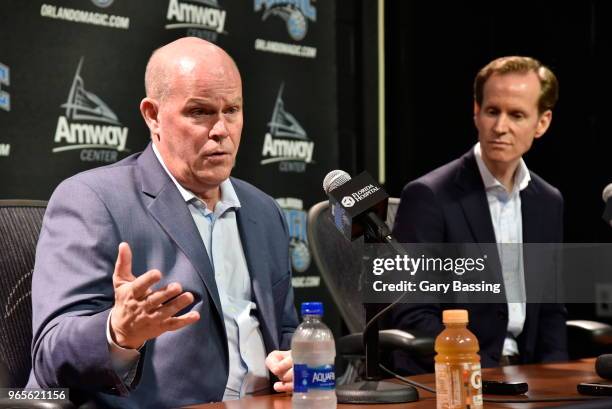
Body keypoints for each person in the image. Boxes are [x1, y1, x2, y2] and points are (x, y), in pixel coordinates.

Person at [28, 37, 296, 408]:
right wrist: (118, 332)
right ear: (152, 115)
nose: (221, 129)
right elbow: (50, 354)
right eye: (200, 112)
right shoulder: (91, 200)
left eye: (232, 110)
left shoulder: (264, 211)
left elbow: (285, 330)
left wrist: (298, 360)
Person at [389, 56, 568, 373]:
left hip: (527, 374)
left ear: (542, 122)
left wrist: (556, 380)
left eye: (516, 115)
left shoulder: (548, 201)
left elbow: (551, 311)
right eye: (492, 111)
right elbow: (414, 313)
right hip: (456, 373)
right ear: (476, 112)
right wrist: (476, 372)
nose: (500, 127)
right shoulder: (428, 196)